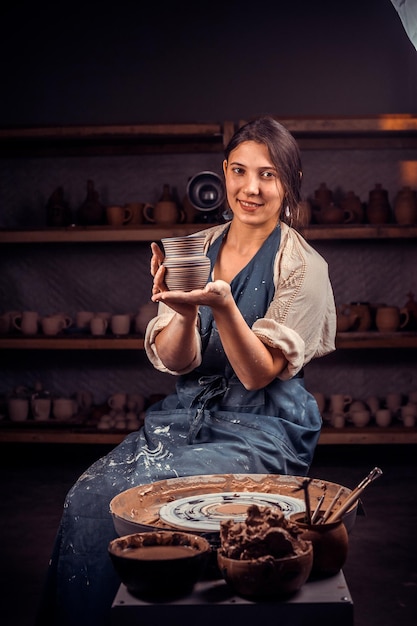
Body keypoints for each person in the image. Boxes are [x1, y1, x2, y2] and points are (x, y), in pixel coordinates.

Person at [36, 116, 336, 626]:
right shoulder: (194, 247)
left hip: (264, 426)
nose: (251, 188)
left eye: (267, 175)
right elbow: (177, 361)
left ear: (288, 183)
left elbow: (258, 374)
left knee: (146, 496)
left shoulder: (302, 266)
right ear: (224, 172)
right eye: (239, 171)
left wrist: (221, 305)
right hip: (186, 417)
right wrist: (177, 308)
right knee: (89, 495)